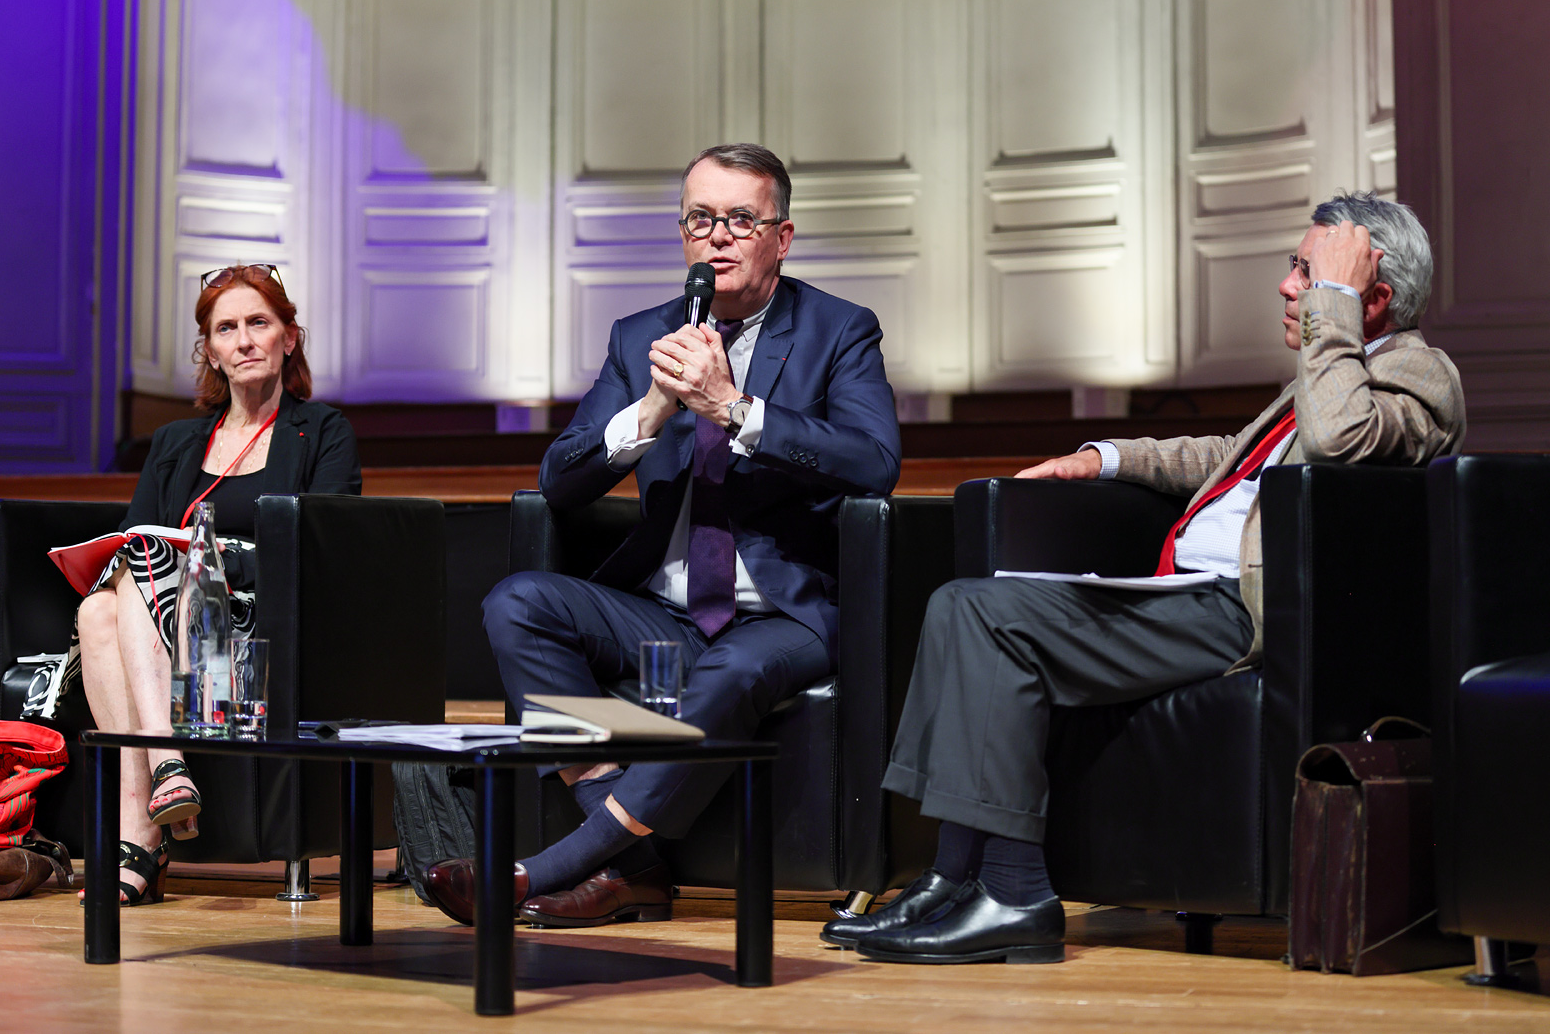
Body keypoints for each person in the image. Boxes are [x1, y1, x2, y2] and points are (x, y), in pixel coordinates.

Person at [823, 192, 1467, 964]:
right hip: (1188, 597)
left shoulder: (1417, 373)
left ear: (1373, 295)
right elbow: (1230, 454)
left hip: (1246, 610)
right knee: (960, 604)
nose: (1288, 285)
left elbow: (1338, 441)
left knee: (989, 615)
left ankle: (1015, 892)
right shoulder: (1334, 371)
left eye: (1309, 270)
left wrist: (1335, 305)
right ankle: (954, 875)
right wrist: (1105, 458)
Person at [422, 143, 902, 928]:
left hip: (786, 614)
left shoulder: (839, 329)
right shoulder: (641, 335)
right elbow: (560, 479)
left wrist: (734, 409)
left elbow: (875, 462)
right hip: (666, 610)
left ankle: (544, 868)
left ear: (781, 237)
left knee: (733, 667)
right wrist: (650, 408)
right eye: (701, 219)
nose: (718, 236)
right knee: (518, 603)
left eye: (740, 219)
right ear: (683, 236)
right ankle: (632, 865)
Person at [73, 263, 361, 906]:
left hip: (258, 616)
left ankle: (145, 824)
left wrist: (213, 565)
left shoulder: (322, 431)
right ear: (209, 350)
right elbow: (134, 536)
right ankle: (161, 787)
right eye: (226, 329)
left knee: (124, 594)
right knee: (99, 608)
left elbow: (327, 545)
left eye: (259, 323)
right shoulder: (174, 442)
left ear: (289, 337)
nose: (244, 340)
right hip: (166, 613)